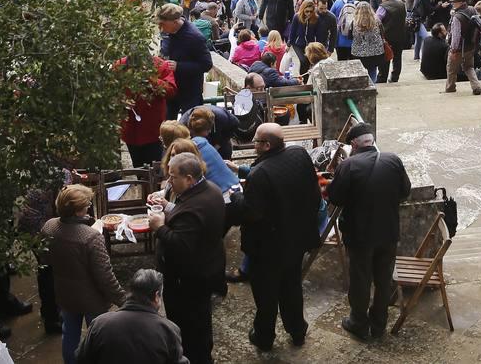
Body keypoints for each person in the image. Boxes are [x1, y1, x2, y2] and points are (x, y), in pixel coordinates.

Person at [327, 122, 412, 342]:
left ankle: (358, 322)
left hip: (360, 235)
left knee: (361, 278)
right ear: (371, 141)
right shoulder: (393, 160)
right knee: (383, 279)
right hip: (388, 231)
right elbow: (405, 191)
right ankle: (379, 322)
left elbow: (335, 197)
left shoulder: (349, 165)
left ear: (354, 144)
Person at [240, 123, 321, 350]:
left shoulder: (259, 175)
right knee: (292, 288)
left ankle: (264, 336)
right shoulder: (299, 154)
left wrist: (237, 203)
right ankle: (297, 331)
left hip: (268, 248)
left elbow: (252, 214)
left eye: (255, 141)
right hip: (296, 240)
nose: (253, 144)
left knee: (266, 296)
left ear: (266, 145)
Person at [149, 152, 225, 364]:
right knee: (202, 319)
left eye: (173, 177)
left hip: (188, 281)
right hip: (207, 268)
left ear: (189, 179)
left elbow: (180, 245)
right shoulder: (210, 189)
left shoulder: (193, 207)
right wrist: (167, 206)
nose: (169, 181)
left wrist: (160, 227)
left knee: (188, 326)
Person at [40, 185, 127, 364]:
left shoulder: (49, 227)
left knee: (69, 334)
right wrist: (124, 300)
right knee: (97, 339)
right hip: (92, 299)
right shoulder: (91, 238)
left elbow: (45, 258)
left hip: (65, 293)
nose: (89, 206)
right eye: (87, 205)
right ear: (78, 211)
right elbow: (105, 276)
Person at [75, 269, 186, 364]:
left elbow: (80, 358)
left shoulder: (99, 324)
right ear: (157, 296)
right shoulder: (168, 330)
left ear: (131, 292)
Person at [158, 5, 214, 120]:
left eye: (163, 24)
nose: (161, 28)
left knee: (191, 125)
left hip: (190, 91)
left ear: (174, 22)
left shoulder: (194, 37)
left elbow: (207, 64)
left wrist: (179, 66)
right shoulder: (168, 32)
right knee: (167, 124)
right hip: (171, 87)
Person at [122, 55, 178, 167]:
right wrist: (122, 100)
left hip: (152, 128)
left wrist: (152, 80)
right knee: (138, 165)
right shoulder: (120, 65)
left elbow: (171, 91)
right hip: (130, 129)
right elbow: (111, 91)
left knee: (155, 165)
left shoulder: (161, 65)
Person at [445, 0, 481, 94]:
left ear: (461, 2)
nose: (453, 3)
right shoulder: (472, 9)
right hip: (471, 46)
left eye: (455, 2)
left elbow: (456, 36)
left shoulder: (457, 17)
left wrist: (453, 50)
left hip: (458, 49)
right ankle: (476, 86)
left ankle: (450, 87)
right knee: (469, 67)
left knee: (451, 68)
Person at [345, 0, 387, 84]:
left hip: (358, 52)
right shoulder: (377, 21)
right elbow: (382, 33)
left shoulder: (354, 22)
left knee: (360, 70)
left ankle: (363, 87)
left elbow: (350, 37)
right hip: (375, 51)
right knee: (372, 69)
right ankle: (373, 85)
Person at [377, 0, 409, 82]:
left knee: (385, 58)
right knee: (397, 58)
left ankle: (383, 78)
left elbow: (377, 20)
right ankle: (395, 78)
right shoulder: (401, 4)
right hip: (400, 36)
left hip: (387, 37)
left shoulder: (383, 7)